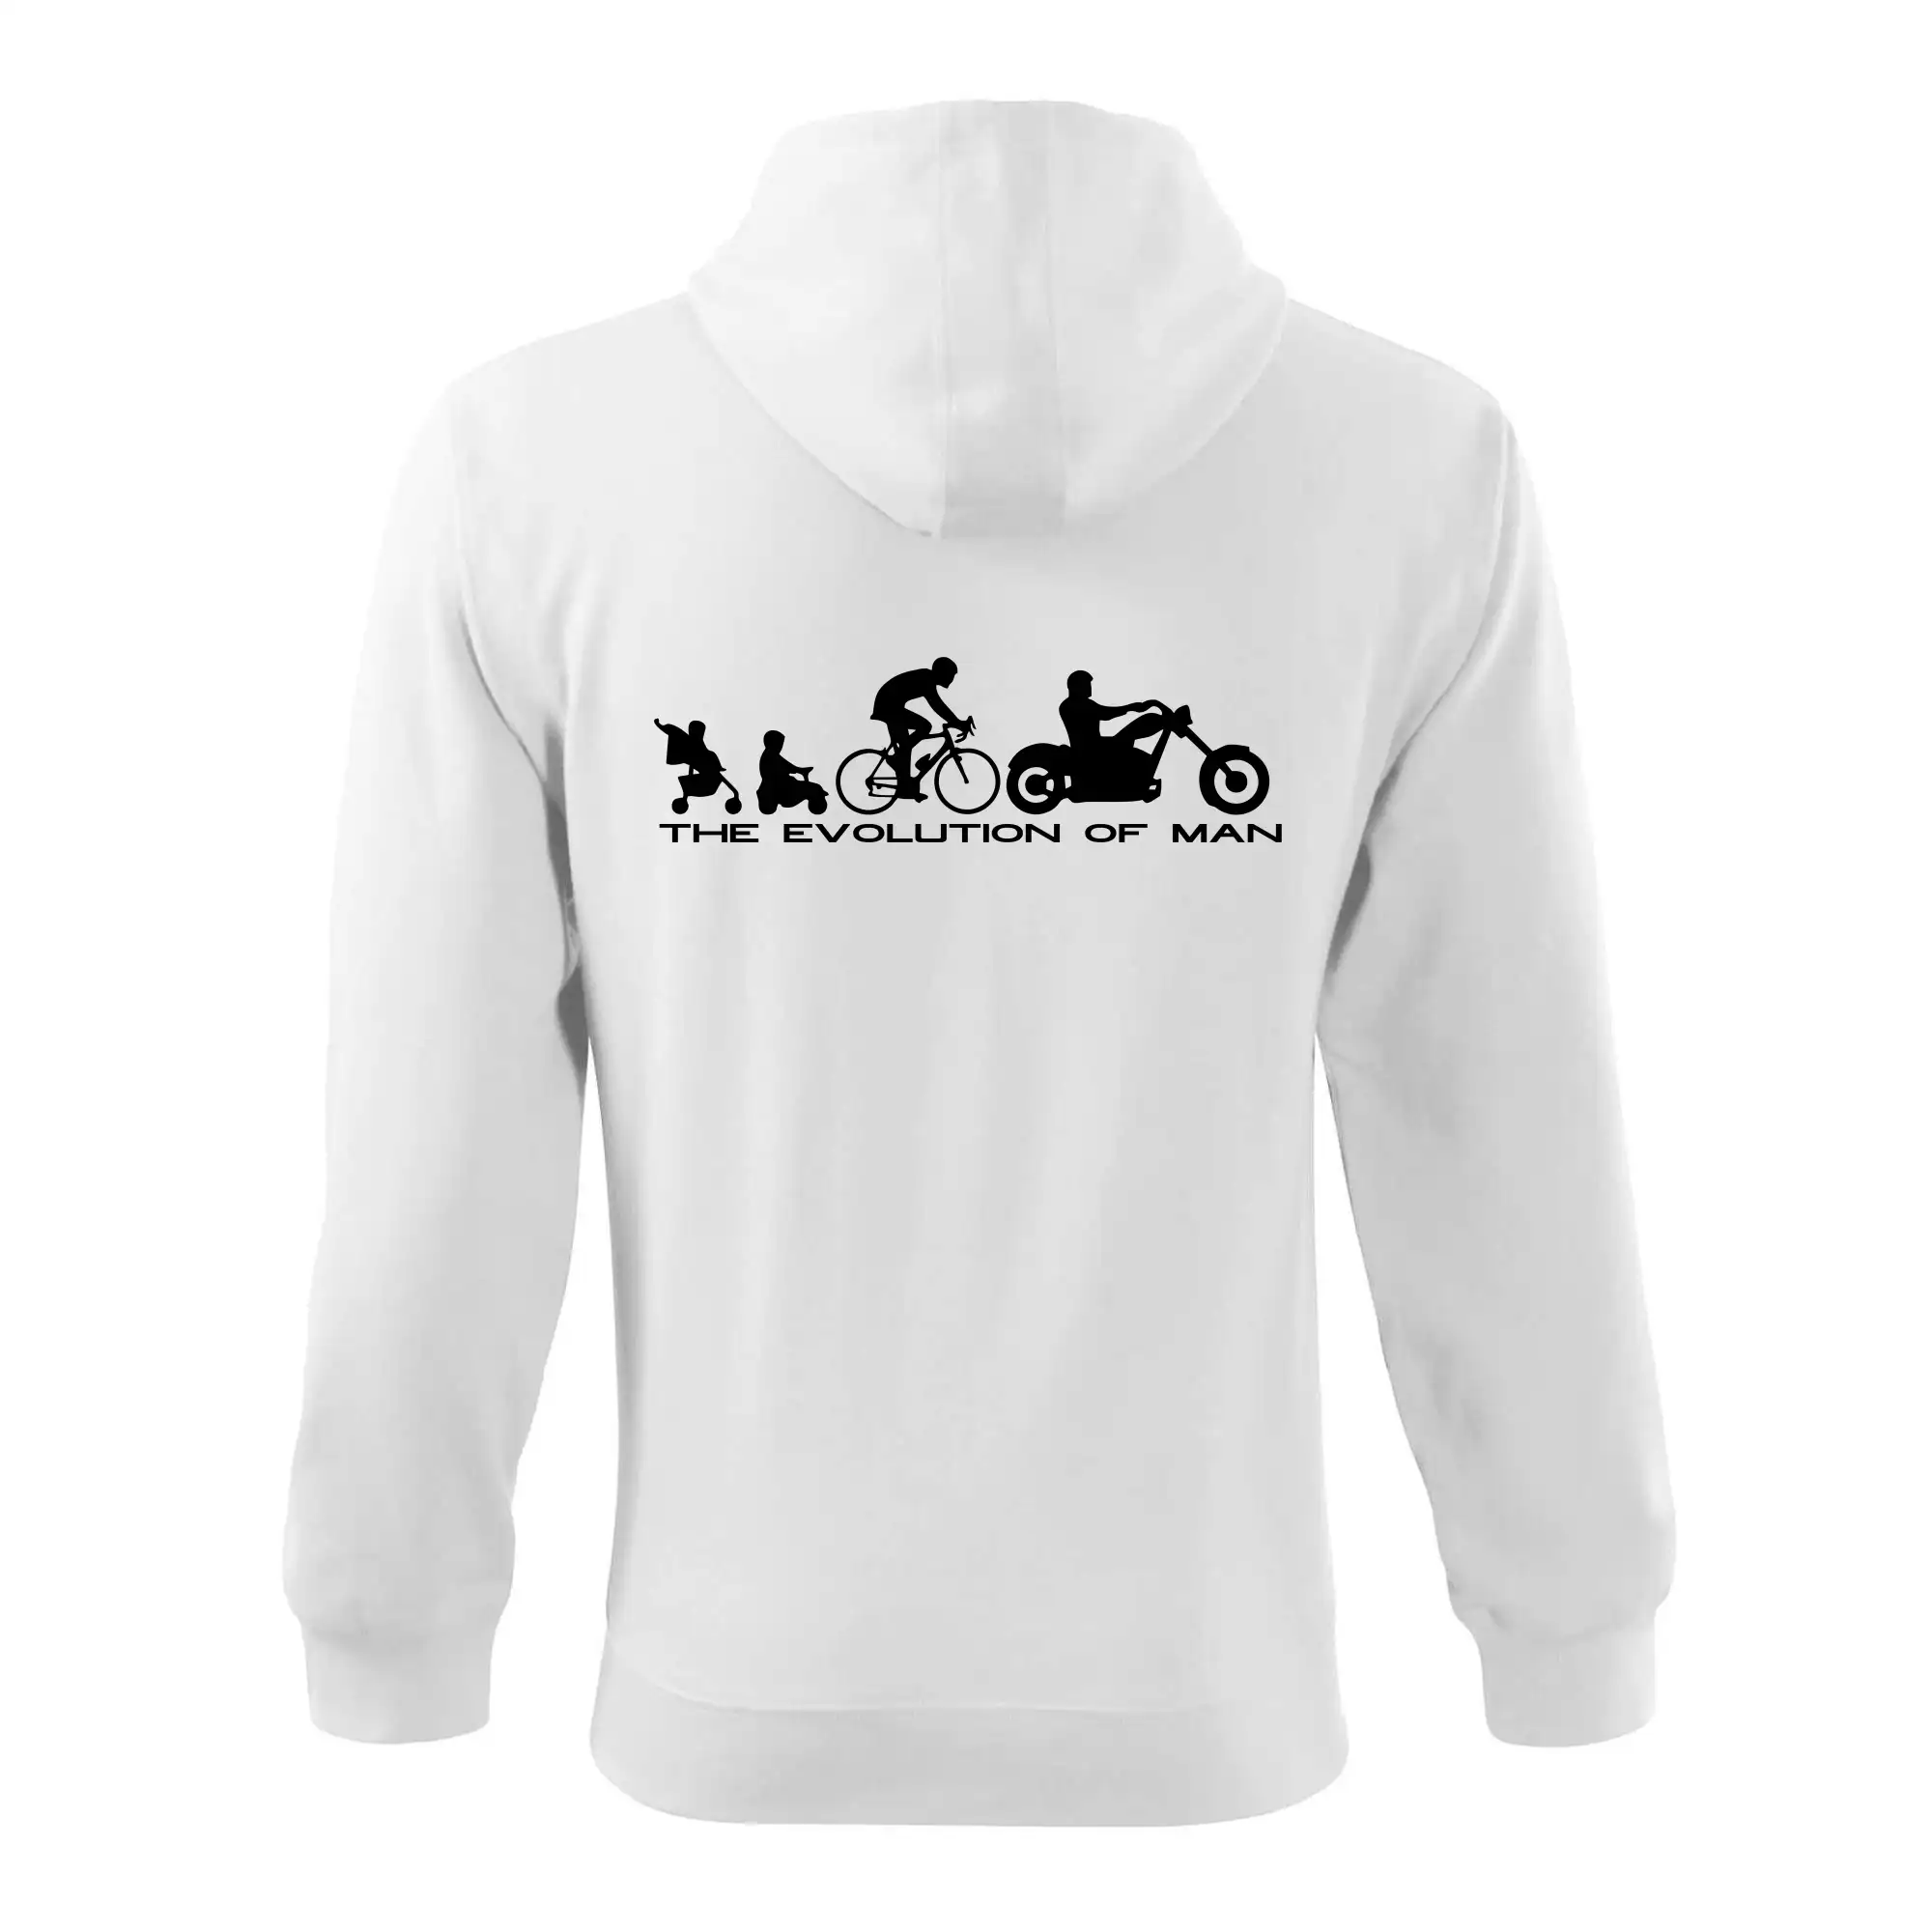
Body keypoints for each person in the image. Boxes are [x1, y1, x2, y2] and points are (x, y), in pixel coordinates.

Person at [870, 656, 972, 799]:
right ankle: (899, 767)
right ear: (942, 672)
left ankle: (906, 787)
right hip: (888, 707)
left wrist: (957, 723)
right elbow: (938, 706)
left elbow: (938, 706)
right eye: (951, 675)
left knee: (908, 743)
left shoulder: (927, 678)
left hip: (890, 705)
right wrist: (958, 723)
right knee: (921, 730)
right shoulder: (927, 679)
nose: (951, 679)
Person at [1058, 670, 1165, 784]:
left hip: (1097, 745)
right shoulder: (1070, 706)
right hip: (1091, 750)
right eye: (1086, 685)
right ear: (1075, 686)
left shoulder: (1084, 704)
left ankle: (1140, 777)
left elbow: (1104, 712)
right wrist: (1130, 708)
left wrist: (1132, 708)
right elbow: (1105, 713)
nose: (1089, 689)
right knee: (1131, 740)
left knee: (1134, 741)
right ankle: (1138, 779)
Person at [655, 717, 726, 803]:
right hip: (705, 784)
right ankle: (684, 799)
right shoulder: (692, 746)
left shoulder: (704, 751)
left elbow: (674, 731)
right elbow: (673, 731)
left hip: (707, 783)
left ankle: (684, 799)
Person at [756, 729, 818, 810]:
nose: (780, 747)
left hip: (781, 785)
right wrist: (800, 771)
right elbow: (787, 766)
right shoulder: (770, 755)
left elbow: (787, 766)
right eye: (779, 743)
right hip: (781, 787)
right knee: (811, 788)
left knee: (808, 788)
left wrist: (800, 770)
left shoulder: (770, 754)